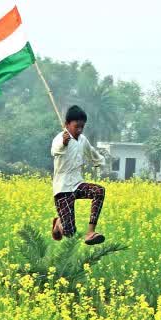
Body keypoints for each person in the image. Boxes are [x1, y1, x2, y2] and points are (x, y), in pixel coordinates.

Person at [50, 105, 107, 245]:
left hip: (77, 184)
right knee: (70, 232)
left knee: (99, 191)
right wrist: (63, 143)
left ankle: (90, 232)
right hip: (62, 188)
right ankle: (58, 222)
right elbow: (54, 151)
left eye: (82, 127)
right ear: (67, 125)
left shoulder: (82, 139)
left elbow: (91, 152)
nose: (80, 130)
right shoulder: (60, 138)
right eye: (77, 126)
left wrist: (99, 162)